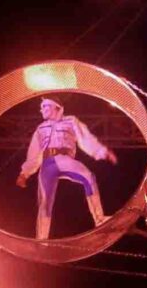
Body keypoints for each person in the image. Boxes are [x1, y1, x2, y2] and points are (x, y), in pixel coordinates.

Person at [16, 96, 118, 240]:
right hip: (47, 164)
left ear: (56, 107)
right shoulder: (41, 128)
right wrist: (24, 174)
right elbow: (34, 151)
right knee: (44, 202)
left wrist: (102, 151)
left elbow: (85, 138)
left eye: (45, 106)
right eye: (42, 107)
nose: (42, 110)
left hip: (65, 159)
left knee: (89, 177)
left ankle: (99, 219)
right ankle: (41, 240)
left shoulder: (71, 121)